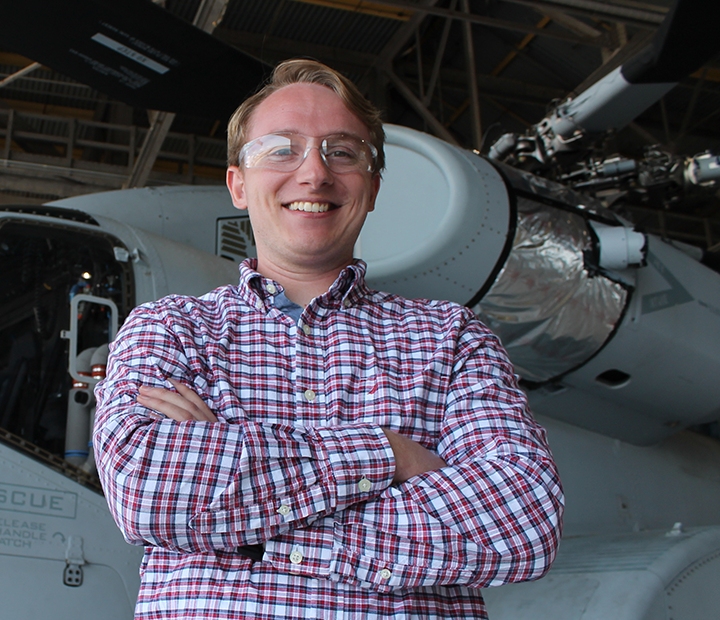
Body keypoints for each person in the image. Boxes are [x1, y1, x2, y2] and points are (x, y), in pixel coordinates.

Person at [92, 59, 563, 619]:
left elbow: (522, 520)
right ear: (238, 184)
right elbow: (148, 492)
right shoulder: (169, 328)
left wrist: (250, 529)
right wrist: (388, 455)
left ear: (373, 188)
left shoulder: (452, 338)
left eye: (342, 152)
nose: (314, 173)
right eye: (281, 149)